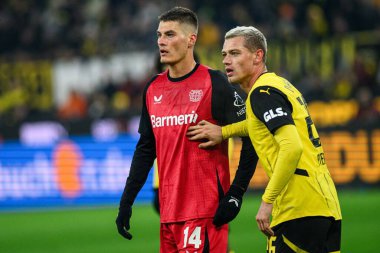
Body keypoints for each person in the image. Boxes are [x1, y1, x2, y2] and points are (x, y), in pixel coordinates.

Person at [187, 26, 342, 253]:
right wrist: (224, 131)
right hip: (325, 206)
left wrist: (267, 201)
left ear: (258, 55)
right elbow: (259, 124)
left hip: (296, 209)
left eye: (235, 53)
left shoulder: (261, 93)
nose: (227, 61)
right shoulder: (280, 86)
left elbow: (291, 147)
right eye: (224, 54)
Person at [115, 8, 258, 252]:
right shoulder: (153, 88)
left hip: (205, 213)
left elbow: (253, 134)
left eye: (170, 34)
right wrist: (126, 202)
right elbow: (146, 149)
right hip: (169, 216)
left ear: (191, 39)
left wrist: (236, 192)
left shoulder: (215, 83)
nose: (161, 41)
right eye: (159, 35)